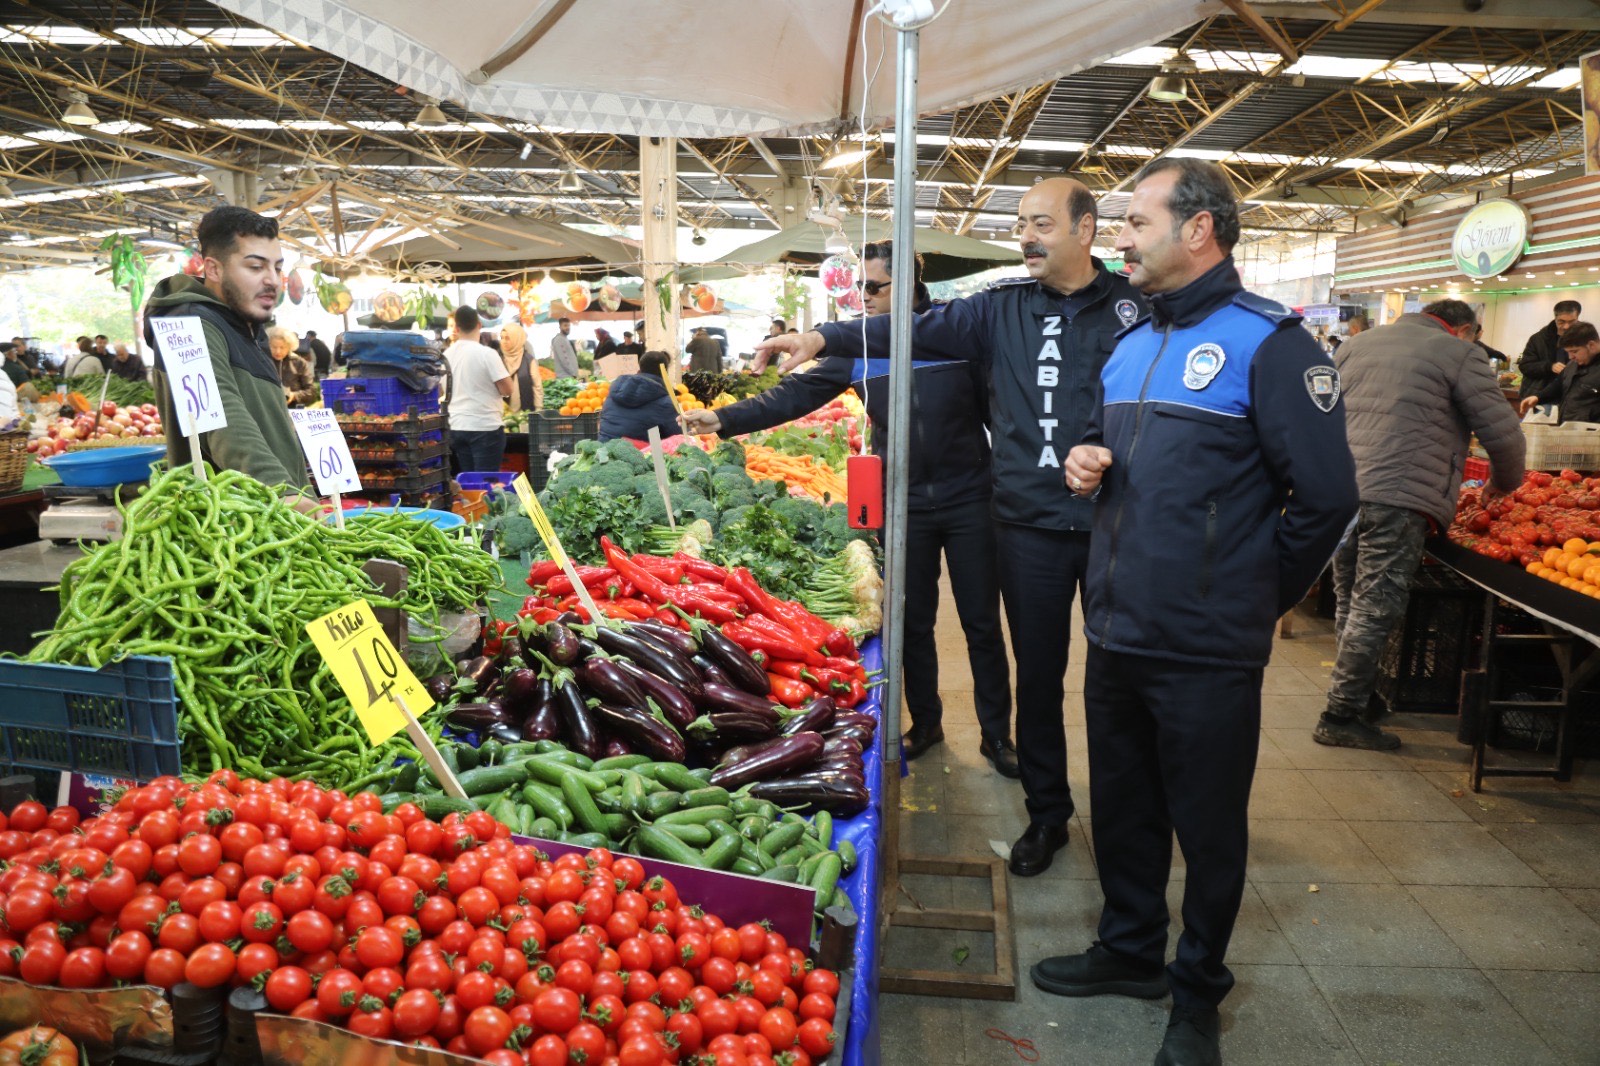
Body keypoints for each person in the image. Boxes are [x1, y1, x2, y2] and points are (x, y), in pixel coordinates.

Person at [1055, 158, 1358, 1066]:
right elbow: (1109, 452)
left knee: (1210, 824)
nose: (1122, 236)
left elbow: (1330, 496)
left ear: (1198, 229)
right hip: (1114, 626)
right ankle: (1129, 949)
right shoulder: (1133, 337)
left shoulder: (1272, 343)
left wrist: (1254, 594)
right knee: (1122, 805)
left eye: (1138, 220)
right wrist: (1083, 461)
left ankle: (1196, 995)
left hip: (1205, 643)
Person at [756, 177, 1145, 875]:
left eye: (1043, 223)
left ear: (1087, 230)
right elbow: (902, 328)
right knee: (1041, 677)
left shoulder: (1137, 310)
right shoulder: (996, 312)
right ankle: (1047, 813)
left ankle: (1129, 826)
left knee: (1119, 683)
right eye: (1023, 222)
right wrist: (822, 334)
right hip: (1027, 524)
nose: (1027, 235)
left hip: (1119, 525)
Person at [687, 241, 1015, 777]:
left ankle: (996, 735)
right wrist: (723, 420)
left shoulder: (956, 335)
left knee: (981, 620)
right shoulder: (859, 344)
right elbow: (791, 397)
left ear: (907, 281)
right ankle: (927, 722)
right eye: (861, 286)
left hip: (970, 495)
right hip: (902, 501)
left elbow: (999, 407)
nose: (864, 297)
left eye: (875, 287)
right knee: (911, 620)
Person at [1315, 299, 1524, 752]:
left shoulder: (1358, 343)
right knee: (1375, 606)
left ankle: (1355, 695)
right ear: (1464, 329)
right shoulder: (1459, 353)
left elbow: (1320, 410)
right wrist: (1505, 483)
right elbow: (1502, 432)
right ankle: (1339, 715)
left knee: (1351, 599)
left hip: (1340, 491)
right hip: (1398, 494)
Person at [143, 205, 309, 493]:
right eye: (256, 267)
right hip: (231, 526)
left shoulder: (248, 327)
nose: (272, 279)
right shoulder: (187, 324)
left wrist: (303, 493)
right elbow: (219, 419)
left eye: (277, 267)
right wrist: (282, 490)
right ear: (213, 269)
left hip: (278, 518)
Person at [443, 306, 512, 473]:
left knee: (467, 483)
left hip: (456, 426)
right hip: (485, 427)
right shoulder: (487, 354)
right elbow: (507, 389)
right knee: (485, 484)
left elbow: (440, 390)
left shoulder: (446, 355)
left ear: (457, 328)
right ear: (479, 325)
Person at [1519, 321, 1600, 424]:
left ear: (1591, 345)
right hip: (1569, 430)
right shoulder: (1573, 364)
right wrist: (1538, 397)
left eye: (1574, 351)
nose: (1571, 357)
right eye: (1568, 352)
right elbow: (1559, 384)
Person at [599, 350, 683, 442]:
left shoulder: (614, 390)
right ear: (665, 373)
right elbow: (678, 438)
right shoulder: (666, 402)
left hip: (602, 451)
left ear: (639, 369)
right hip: (639, 454)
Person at [1518, 299, 1581, 399]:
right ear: (1555, 318)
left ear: (1577, 318)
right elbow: (1525, 366)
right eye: (1561, 322)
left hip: (1573, 396)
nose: (1566, 326)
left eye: (1571, 322)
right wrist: (1550, 367)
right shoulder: (1538, 339)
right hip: (1541, 395)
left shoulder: (1586, 339)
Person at [267, 327, 317, 407]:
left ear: (290, 347)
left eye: (282, 347)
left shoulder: (299, 363)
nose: (278, 351)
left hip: (294, 410)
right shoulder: (263, 362)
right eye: (274, 347)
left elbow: (311, 392)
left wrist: (294, 396)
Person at [499, 321, 541, 416]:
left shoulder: (529, 361)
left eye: (507, 338)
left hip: (525, 413)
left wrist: (538, 409)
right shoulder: (498, 360)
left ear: (516, 339)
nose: (503, 342)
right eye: (501, 338)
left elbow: (537, 387)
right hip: (503, 415)